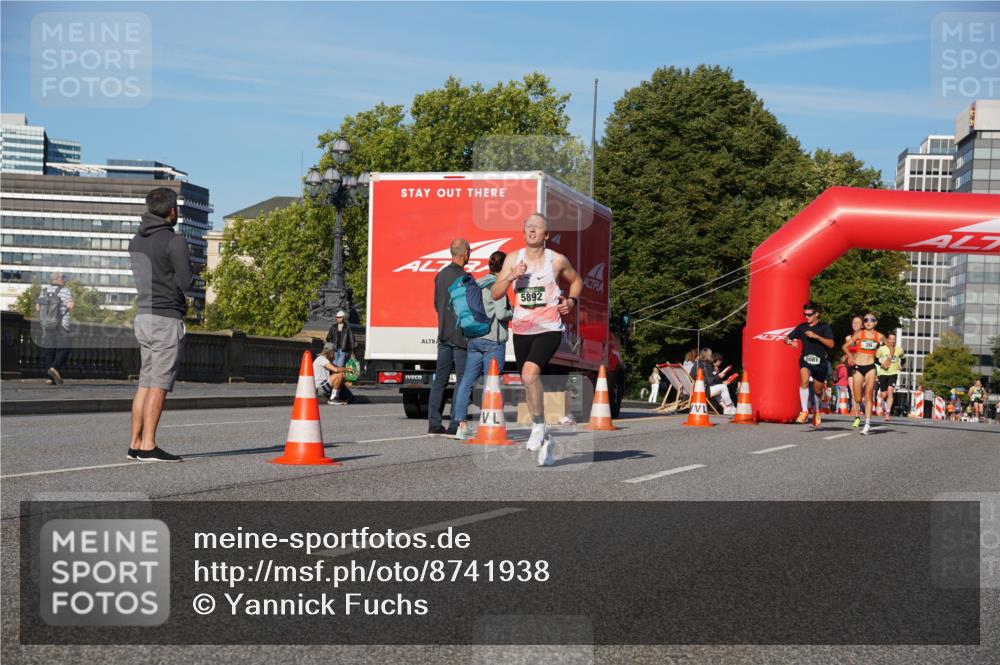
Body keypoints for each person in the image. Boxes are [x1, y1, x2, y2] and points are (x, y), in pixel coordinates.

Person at [491, 213, 583, 466]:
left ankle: (537, 427)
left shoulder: (556, 261)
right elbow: (496, 293)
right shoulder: (513, 259)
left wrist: (572, 301)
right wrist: (510, 277)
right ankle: (543, 431)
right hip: (522, 329)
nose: (532, 231)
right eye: (528, 227)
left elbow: (576, 281)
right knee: (526, 379)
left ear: (546, 235)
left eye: (537, 228)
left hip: (549, 327)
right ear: (524, 233)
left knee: (530, 374)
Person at [127, 187, 202, 462]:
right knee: (159, 384)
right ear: (172, 211)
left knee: (145, 382)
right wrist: (194, 270)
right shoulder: (175, 241)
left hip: (143, 315)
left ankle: (134, 443)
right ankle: (149, 445)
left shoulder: (135, 241)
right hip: (166, 317)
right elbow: (185, 283)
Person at [450, 251, 514, 440]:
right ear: (504, 268)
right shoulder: (498, 285)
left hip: (474, 339)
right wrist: (515, 312)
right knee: (491, 383)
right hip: (493, 341)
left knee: (467, 381)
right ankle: (487, 423)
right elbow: (502, 314)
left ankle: (461, 424)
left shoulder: (477, 283)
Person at [428, 238, 470, 437]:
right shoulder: (465, 277)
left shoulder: (440, 275)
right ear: (465, 254)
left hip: (443, 334)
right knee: (462, 381)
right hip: (460, 337)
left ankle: (434, 424)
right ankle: (455, 423)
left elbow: (437, 305)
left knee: (440, 380)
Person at [784, 302, 835, 427]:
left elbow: (831, 345)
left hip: (820, 362)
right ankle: (804, 411)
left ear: (816, 314)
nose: (807, 317)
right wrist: (790, 342)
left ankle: (817, 411)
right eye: (805, 315)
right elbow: (786, 338)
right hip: (805, 360)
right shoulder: (802, 327)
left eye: (809, 315)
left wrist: (816, 336)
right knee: (804, 381)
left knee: (818, 390)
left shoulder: (824, 327)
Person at [843, 312, 885, 435]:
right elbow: (844, 347)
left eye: (871, 320)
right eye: (866, 320)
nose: (868, 322)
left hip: (870, 367)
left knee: (868, 396)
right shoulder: (858, 335)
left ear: (875, 323)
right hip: (856, 367)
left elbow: (890, 347)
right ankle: (857, 416)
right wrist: (850, 356)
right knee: (857, 397)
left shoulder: (879, 336)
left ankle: (867, 423)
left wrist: (888, 359)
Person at [35, 271, 75, 385]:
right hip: (61, 324)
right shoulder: (65, 291)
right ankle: (55, 367)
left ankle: (49, 378)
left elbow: (38, 307)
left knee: (49, 351)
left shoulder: (44, 291)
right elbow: (71, 305)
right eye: (63, 278)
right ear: (58, 279)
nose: (64, 280)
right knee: (65, 349)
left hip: (47, 326)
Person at [690, 347, 736, 415]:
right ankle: (730, 406)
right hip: (703, 390)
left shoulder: (697, 363)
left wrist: (714, 374)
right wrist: (718, 376)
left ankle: (725, 408)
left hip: (695, 388)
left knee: (718, 388)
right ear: (708, 355)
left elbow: (703, 377)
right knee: (723, 387)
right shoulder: (706, 364)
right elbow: (710, 380)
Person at [875, 332, 905, 421]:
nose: (892, 341)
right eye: (891, 339)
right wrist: (881, 365)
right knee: (884, 395)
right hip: (883, 373)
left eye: (894, 339)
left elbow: (903, 359)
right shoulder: (882, 349)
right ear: (887, 340)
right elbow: (875, 359)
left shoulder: (899, 349)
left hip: (893, 373)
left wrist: (901, 365)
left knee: (890, 391)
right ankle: (885, 405)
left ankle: (887, 412)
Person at [844, 316, 862, 420]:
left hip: (863, 366)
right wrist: (848, 356)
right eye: (853, 323)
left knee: (862, 393)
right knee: (853, 392)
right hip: (851, 366)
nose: (855, 324)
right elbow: (846, 351)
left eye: (857, 322)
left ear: (862, 325)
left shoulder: (866, 337)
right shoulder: (848, 338)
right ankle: (857, 417)